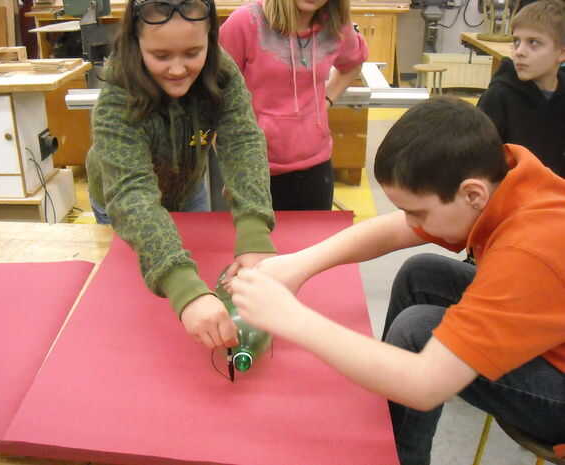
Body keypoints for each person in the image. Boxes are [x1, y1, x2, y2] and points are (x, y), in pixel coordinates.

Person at [230, 97, 565, 464]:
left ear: (473, 194)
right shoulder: (502, 176)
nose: (411, 223)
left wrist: (291, 318)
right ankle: (389, 421)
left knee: (418, 333)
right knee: (421, 273)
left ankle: (401, 457)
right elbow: (393, 231)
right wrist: (297, 266)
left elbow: (425, 385)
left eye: (416, 212)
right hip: (548, 332)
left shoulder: (526, 251)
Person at [86, 0, 277, 350]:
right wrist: (184, 289)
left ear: (210, 39)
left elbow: (242, 142)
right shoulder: (118, 91)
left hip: (187, 188)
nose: (177, 69)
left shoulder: (221, 71)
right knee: (128, 291)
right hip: (121, 196)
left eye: (192, 53)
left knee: (197, 260)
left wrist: (254, 231)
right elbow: (131, 194)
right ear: (136, 43)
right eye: (160, 56)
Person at [219, 0, 368, 210]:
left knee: (314, 232)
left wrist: (325, 101)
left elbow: (352, 63)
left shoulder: (335, 24)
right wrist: (234, 169)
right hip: (255, 168)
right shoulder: (245, 22)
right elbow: (217, 95)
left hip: (316, 168)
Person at [477, 0, 565, 177]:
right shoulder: (498, 96)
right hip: (511, 191)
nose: (519, 52)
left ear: (562, 53)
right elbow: (479, 163)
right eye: (516, 42)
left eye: (533, 43)